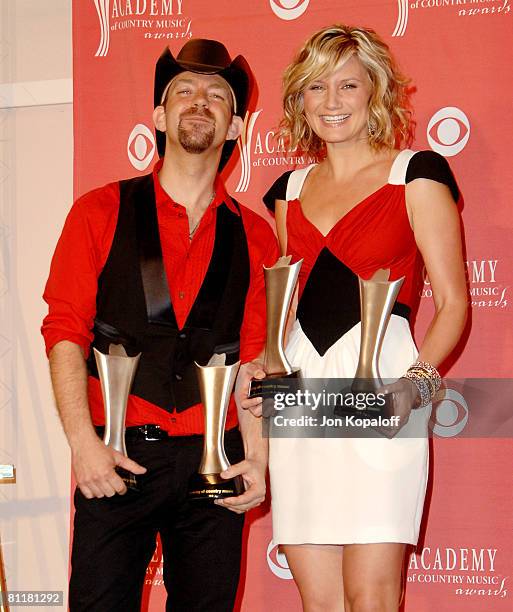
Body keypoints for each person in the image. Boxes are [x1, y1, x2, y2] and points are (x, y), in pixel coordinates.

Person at [42, 38, 276, 612]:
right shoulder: (98, 210)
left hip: (214, 464)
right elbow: (64, 332)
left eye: (218, 95)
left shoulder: (258, 235)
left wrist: (260, 458)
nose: (201, 102)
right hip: (116, 458)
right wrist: (82, 446)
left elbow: (255, 360)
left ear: (236, 128)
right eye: (185, 91)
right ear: (158, 116)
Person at [251, 25, 468, 611]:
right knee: (317, 600)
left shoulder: (416, 176)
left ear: (376, 92)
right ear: (299, 99)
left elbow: (452, 303)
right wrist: (267, 371)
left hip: (383, 383)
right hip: (299, 392)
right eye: (316, 88)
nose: (332, 102)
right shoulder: (285, 194)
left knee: (370, 597)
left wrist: (414, 387)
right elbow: (283, 307)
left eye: (348, 85)